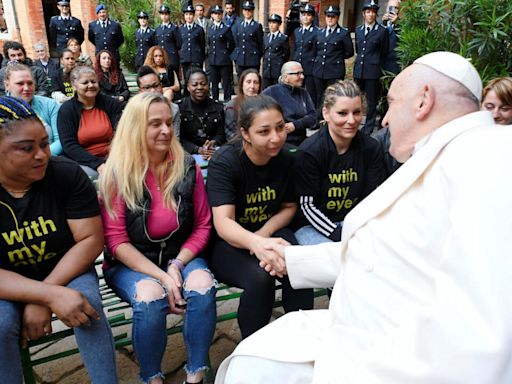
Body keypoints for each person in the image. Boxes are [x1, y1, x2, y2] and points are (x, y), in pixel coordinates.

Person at [215, 51, 512, 384]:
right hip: (363, 329)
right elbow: (388, 252)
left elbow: (486, 337)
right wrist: (291, 259)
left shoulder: (491, 160)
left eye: (392, 102)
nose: (383, 120)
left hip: (392, 355)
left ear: (423, 101)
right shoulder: (450, 154)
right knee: (253, 358)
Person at [0, 96, 118, 384]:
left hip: (66, 267)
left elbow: (90, 240)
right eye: (26, 149)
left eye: (43, 143)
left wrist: (47, 292)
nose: (42, 155)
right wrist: (46, 296)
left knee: (85, 303)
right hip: (9, 280)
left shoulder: (64, 174)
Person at [99, 92, 215, 384]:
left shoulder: (185, 165)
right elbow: (116, 242)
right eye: (155, 124)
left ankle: (196, 374)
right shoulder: (118, 172)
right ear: (136, 127)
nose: (166, 130)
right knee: (150, 297)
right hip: (133, 262)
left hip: (180, 253)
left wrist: (176, 266)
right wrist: (163, 278)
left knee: (201, 285)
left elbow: (202, 224)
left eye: (168, 122)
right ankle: (152, 377)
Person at [207, 95, 314, 340]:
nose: (276, 137)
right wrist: (257, 244)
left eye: (279, 127)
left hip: (269, 230)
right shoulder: (226, 162)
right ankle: (253, 345)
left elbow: (288, 207)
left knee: (297, 264)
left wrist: (263, 236)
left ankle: (302, 337)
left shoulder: (287, 159)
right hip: (229, 241)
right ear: (246, 134)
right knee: (261, 276)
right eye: (264, 131)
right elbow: (223, 222)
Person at [293, 80, 386, 245]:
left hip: (354, 223)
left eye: (357, 112)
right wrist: (339, 235)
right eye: (342, 113)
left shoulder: (371, 148)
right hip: (314, 225)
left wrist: (355, 230)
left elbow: (372, 196)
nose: (351, 120)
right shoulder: (310, 151)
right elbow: (307, 206)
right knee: (333, 259)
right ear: (326, 114)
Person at [57, 66, 122, 178]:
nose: (91, 85)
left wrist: (113, 160)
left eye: (93, 81)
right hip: (84, 161)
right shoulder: (66, 110)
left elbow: (121, 134)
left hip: (115, 157)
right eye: (85, 82)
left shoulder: (111, 104)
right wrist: (97, 164)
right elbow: (69, 145)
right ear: (74, 85)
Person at [3, 63, 62, 155]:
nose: (26, 88)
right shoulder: (2, 110)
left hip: (50, 159)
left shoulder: (50, 104)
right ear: (7, 85)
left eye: (30, 83)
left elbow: (61, 140)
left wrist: (41, 156)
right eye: (20, 83)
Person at [354, 0, 389, 135]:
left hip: (372, 71)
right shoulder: (358, 30)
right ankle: (354, 122)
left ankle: (368, 127)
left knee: (371, 101)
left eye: (373, 12)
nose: (371, 15)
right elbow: (358, 50)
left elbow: (384, 52)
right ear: (363, 14)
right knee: (356, 97)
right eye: (368, 12)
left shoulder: (381, 31)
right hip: (359, 70)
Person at [262, 61, 316, 146]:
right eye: (298, 74)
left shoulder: (303, 93)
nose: (302, 77)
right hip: (279, 142)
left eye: (302, 73)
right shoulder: (271, 92)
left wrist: (295, 125)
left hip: (301, 141)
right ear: (286, 77)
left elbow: (313, 117)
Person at [176, 67, 225, 159]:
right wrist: (197, 149)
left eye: (203, 84)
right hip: (186, 155)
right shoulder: (179, 108)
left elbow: (221, 133)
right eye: (194, 84)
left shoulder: (218, 107)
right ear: (188, 87)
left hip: (212, 153)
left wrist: (213, 142)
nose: (199, 88)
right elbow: (179, 138)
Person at [313, 6, 354, 108]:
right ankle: (319, 120)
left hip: (334, 71)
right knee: (319, 97)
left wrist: (336, 58)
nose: (330, 19)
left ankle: (331, 121)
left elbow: (349, 52)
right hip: (319, 71)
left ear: (337, 18)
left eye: (333, 16)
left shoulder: (343, 33)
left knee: (333, 98)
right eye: (328, 16)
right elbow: (315, 50)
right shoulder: (319, 32)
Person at [136, 65, 181, 138]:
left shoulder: (173, 109)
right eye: (147, 88)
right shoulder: (134, 111)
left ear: (161, 86)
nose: (153, 91)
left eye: (156, 86)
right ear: (140, 91)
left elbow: (175, 140)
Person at [292, 4, 318, 107]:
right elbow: (295, 48)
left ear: (312, 17)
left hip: (310, 67)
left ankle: (313, 115)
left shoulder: (316, 32)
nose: (305, 17)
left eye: (308, 15)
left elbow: (317, 51)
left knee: (311, 93)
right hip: (298, 67)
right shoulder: (297, 31)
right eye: (303, 14)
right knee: (297, 91)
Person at [207, 5, 235, 102]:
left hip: (223, 60)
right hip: (213, 60)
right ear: (212, 15)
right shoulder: (210, 28)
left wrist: (226, 54)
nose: (218, 16)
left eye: (219, 13)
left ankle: (227, 101)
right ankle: (214, 101)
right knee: (214, 83)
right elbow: (209, 43)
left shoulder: (226, 28)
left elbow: (232, 44)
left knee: (226, 83)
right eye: (215, 13)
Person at [224, 68, 261, 141]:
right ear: (241, 85)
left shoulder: (264, 104)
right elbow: (230, 133)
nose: (252, 86)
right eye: (248, 82)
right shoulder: (232, 106)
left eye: (256, 82)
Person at [231, 1, 264, 76]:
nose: (247, 12)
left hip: (252, 60)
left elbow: (260, 45)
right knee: (241, 82)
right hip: (240, 60)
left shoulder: (257, 26)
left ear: (252, 11)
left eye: (249, 10)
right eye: (245, 10)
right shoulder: (238, 25)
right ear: (243, 11)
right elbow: (236, 42)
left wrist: (256, 57)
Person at [180, 5, 206, 87]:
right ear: (184, 16)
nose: (189, 16)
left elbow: (202, 44)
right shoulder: (180, 29)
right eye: (187, 14)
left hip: (196, 58)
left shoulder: (199, 29)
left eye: (190, 14)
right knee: (187, 80)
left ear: (194, 15)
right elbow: (179, 43)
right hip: (185, 59)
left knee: (197, 80)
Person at [262, 14, 290, 90]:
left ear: (279, 24)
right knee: (265, 91)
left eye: (274, 23)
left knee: (276, 91)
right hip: (267, 69)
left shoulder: (283, 38)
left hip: (277, 69)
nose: (271, 25)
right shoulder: (266, 37)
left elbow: (286, 54)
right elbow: (264, 53)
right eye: (270, 23)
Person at [155, 4, 182, 78]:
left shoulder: (174, 28)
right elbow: (156, 44)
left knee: (174, 79)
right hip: (161, 59)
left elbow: (179, 44)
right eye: (162, 14)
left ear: (169, 15)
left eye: (166, 14)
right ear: (160, 15)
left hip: (172, 59)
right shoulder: (158, 29)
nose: (164, 16)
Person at [381, 0, 401, 75]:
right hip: (380, 64)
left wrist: (397, 24)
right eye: (391, 7)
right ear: (386, 8)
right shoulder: (381, 25)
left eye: (396, 8)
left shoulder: (402, 25)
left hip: (394, 65)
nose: (393, 10)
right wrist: (383, 25)